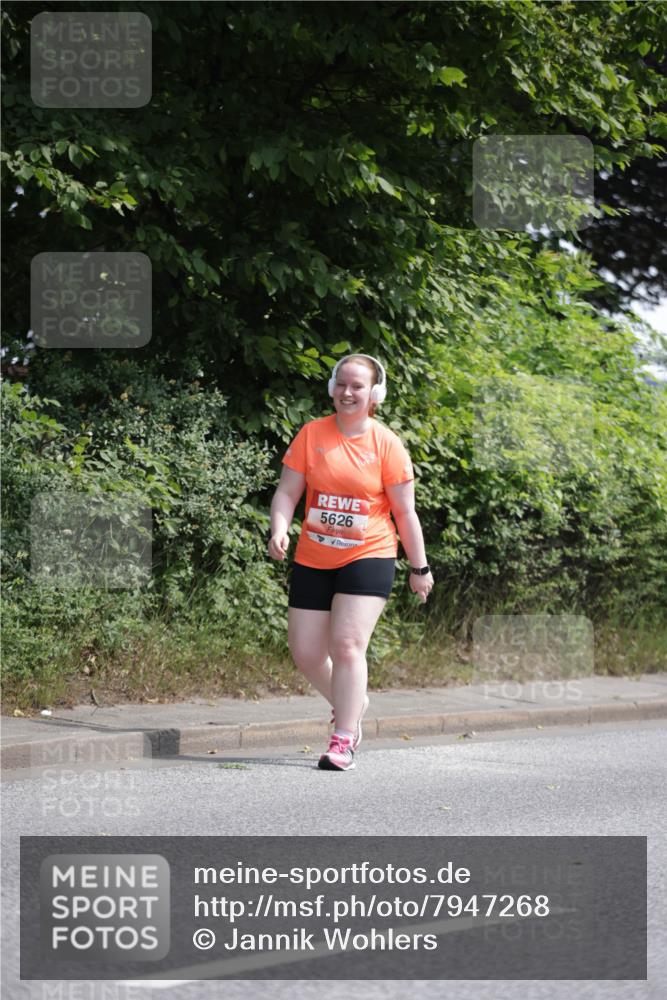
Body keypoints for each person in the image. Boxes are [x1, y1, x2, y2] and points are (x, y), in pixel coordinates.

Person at [268, 354, 434, 771]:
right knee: (305, 653)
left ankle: (343, 737)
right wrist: (279, 527)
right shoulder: (312, 434)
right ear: (331, 387)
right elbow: (288, 492)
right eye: (341, 384)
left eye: (357, 386)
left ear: (374, 394)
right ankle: (352, 702)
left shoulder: (387, 444)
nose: (347, 392)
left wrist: (420, 567)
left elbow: (405, 513)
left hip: (369, 554)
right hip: (314, 555)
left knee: (346, 644)